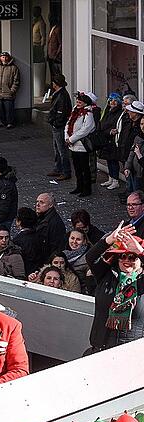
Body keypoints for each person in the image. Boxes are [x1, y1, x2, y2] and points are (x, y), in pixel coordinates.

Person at [87, 223, 144, 351]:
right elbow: (90, 257)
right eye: (122, 256)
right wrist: (109, 240)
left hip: (131, 352)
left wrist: (140, 251)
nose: (127, 260)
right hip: (101, 347)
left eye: (132, 257)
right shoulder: (107, 275)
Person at [65, 92, 96, 197]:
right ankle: (79, 186)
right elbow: (68, 124)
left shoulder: (88, 113)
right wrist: (67, 138)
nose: (77, 103)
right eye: (77, 101)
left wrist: (72, 139)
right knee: (77, 168)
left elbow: (85, 130)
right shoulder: (75, 111)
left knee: (84, 169)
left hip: (81, 146)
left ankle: (87, 189)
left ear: (85, 103)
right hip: (73, 146)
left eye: (80, 102)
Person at [46, 74, 72, 181]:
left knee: (61, 149)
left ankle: (65, 171)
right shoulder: (60, 94)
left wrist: (55, 123)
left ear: (55, 84)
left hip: (59, 126)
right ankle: (58, 168)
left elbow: (61, 113)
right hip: (57, 125)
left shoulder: (61, 96)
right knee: (57, 148)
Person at [98, 93, 126, 190]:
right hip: (107, 139)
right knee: (109, 160)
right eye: (110, 100)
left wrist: (109, 131)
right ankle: (111, 178)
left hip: (113, 141)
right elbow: (102, 125)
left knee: (113, 161)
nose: (112, 102)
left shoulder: (118, 112)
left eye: (114, 100)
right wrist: (108, 131)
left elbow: (115, 127)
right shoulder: (108, 111)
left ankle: (115, 180)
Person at [0, 51, 20, 129]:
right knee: (1, 110)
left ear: (9, 58)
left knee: (9, 109)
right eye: (2, 57)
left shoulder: (13, 68)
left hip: (8, 93)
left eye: (6, 57)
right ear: (0, 58)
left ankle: (10, 123)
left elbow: (16, 81)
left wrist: (12, 91)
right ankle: (3, 122)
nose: (4, 59)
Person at [12, 207, 45, 277]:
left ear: (19, 222)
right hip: (38, 272)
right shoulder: (39, 236)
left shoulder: (18, 240)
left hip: (25, 273)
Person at [35, 192, 67, 258]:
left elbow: (56, 247)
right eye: (37, 201)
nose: (37, 204)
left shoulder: (55, 223)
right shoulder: (40, 216)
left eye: (42, 202)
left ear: (50, 205)